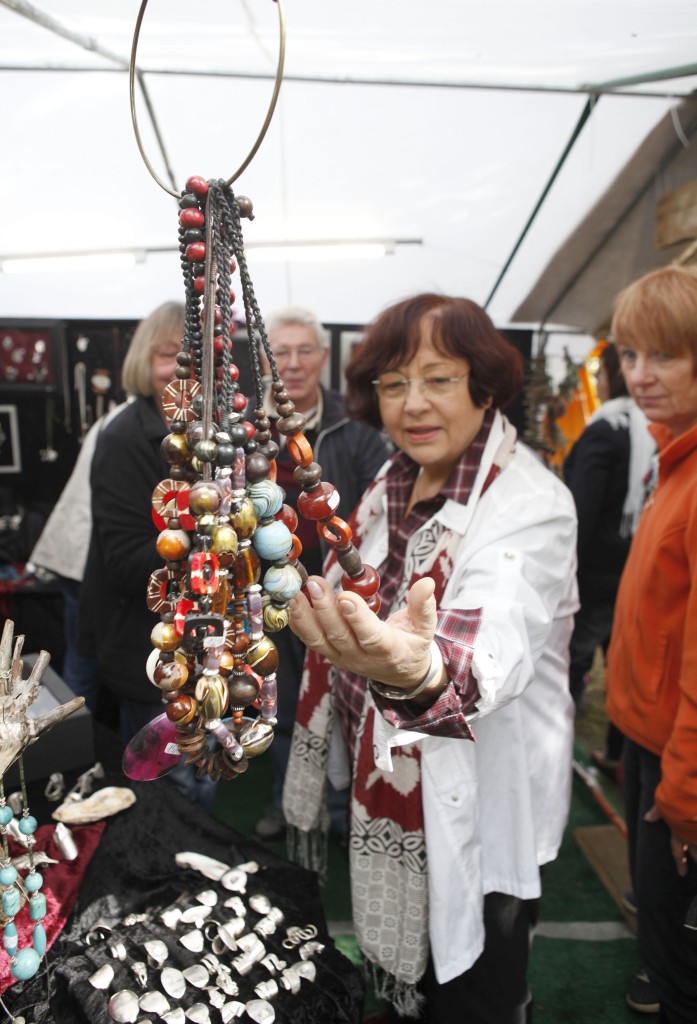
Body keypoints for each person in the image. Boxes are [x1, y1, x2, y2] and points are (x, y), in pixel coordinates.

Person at [282, 293, 578, 1023]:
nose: (413, 404)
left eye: (439, 379)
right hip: (385, 781)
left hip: (479, 792)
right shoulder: (391, 479)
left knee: (476, 983)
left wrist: (420, 671)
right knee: (409, 971)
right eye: (392, 383)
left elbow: (494, 633)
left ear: (485, 387)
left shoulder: (528, 504)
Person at [252, 305, 390, 841]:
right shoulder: (247, 430)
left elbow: (377, 508)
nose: (293, 363)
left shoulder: (353, 427)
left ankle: (338, 813)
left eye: (304, 350)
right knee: (282, 701)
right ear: (267, 361)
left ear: (324, 356)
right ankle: (288, 806)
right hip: (270, 592)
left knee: (343, 701)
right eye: (281, 352)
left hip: (339, 591)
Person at [77, 301, 216, 811]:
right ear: (144, 360)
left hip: (203, 644)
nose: (184, 370)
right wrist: (209, 543)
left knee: (203, 771)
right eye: (169, 355)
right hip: (149, 648)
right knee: (171, 787)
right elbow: (124, 563)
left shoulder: (213, 437)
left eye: (198, 358)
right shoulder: (124, 439)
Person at [604, 265, 697, 1024]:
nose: (640, 375)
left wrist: (685, 799)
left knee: (676, 966)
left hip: (678, 762)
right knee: (661, 941)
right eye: (630, 355)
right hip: (648, 743)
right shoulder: (673, 458)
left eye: (663, 355)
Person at [563, 343, 655, 762]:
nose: (597, 382)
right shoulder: (650, 429)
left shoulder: (605, 431)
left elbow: (581, 509)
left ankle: (564, 746)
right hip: (635, 568)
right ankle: (619, 754)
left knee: (575, 659)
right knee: (625, 665)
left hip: (595, 573)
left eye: (600, 374)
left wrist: (568, 568)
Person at [28, 400, 128, 716]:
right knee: (86, 660)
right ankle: (73, 737)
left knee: (83, 659)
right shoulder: (128, 423)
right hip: (88, 556)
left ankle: (73, 735)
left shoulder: (117, 418)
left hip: (81, 552)